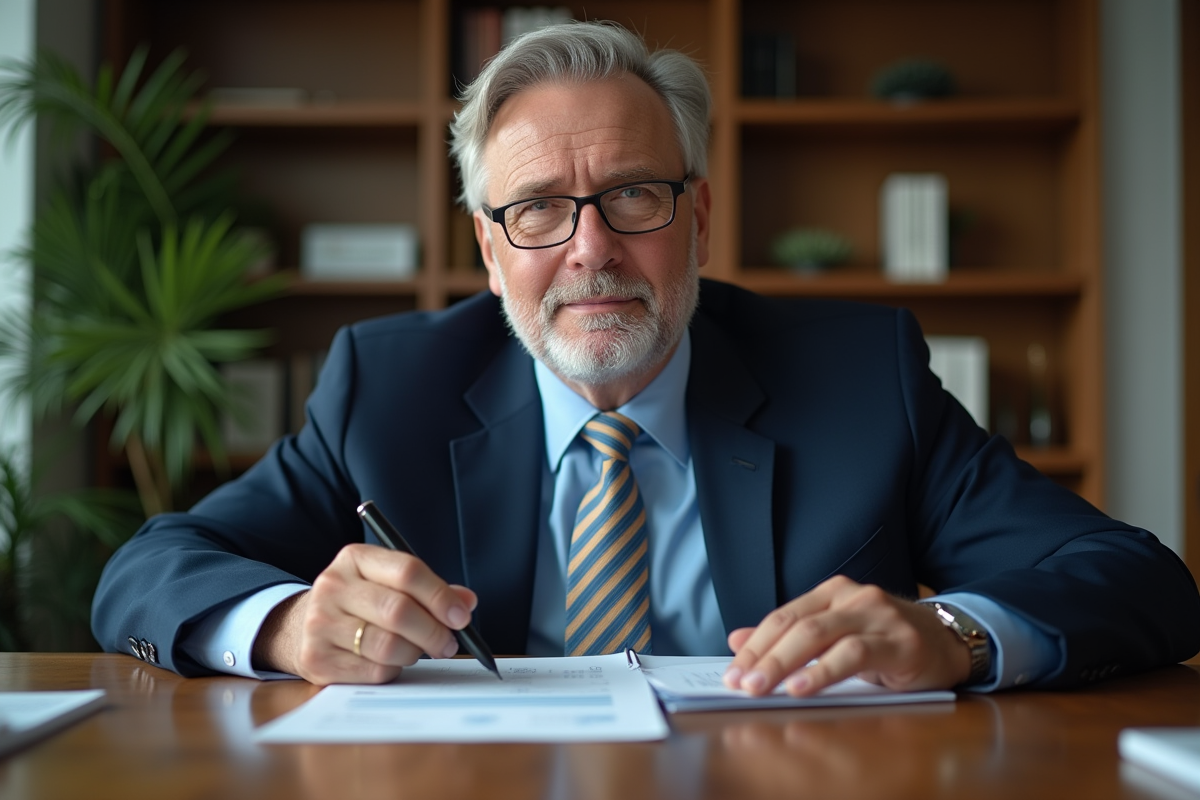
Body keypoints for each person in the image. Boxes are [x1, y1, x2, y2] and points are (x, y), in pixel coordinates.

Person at [92, 21, 1200, 696]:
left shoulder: (863, 378)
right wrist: (285, 623)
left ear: (701, 217)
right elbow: (148, 568)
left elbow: (1141, 580)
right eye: (536, 208)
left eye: (634, 194)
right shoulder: (386, 387)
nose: (591, 250)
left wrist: (956, 633)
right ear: (487, 247)